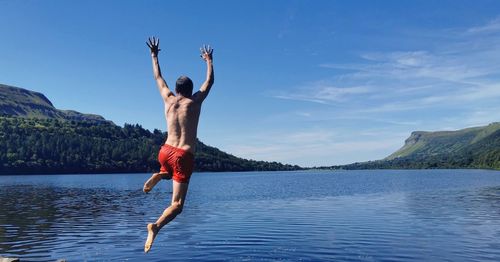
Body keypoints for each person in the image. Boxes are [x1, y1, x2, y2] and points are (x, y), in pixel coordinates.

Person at [143, 36, 214, 253]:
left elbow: (158, 77)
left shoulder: (168, 98)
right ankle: (155, 226)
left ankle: (161, 173)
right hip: (183, 155)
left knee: (169, 171)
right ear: (191, 90)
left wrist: (154, 55)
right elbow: (209, 82)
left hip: (165, 151)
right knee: (177, 206)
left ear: (176, 88)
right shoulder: (194, 102)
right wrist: (208, 60)